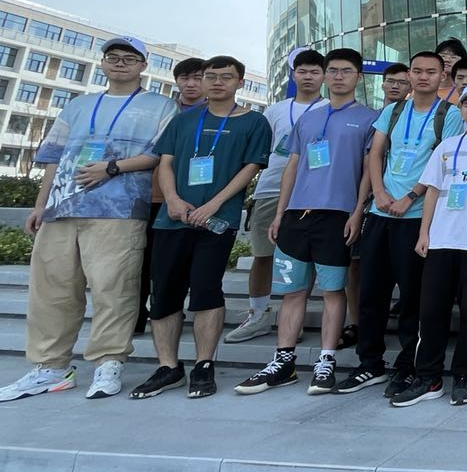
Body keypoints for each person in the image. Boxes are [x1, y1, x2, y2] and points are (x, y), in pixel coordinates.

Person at [0, 37, 174, 403]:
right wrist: (40, 205)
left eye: (130, 58)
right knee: (52, 290)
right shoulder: (78, 105)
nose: (120, 63)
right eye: (113, 57)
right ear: (103, 62)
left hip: (119, 210)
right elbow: (53, 157)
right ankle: (50, 367)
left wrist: (112, 168)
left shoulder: (161, 105)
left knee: (115, 288)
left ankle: (109, 362)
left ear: (143, 66)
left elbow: (160, 154)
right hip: (62, 208)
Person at [235, 49, 377, 395]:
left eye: (346, 71)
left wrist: (358, 211)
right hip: (297, 215)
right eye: (333, 70)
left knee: (332, 291)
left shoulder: (370, 119)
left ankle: (326, 360)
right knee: (293, 292)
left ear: (358, 77)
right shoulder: (308, 119)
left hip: (337, 216)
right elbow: (293, 165)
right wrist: (281, 212)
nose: (338, 76)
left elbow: (368, 171)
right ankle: (283, 361)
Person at [133, 56, 271, 400]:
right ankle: (168, 367)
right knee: (165, 292)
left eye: (226, 77)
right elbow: (166, 163)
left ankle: (203, 364)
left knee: (207, 289)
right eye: (211, 76)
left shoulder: (254, 122)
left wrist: (213, 204)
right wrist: (172, 200)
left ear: (240, 82)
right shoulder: (182, 120)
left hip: (217, 221)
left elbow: (250, 168)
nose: (217, 82)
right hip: (173, 218)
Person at [336, 51, 463, 397]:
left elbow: (443, 162)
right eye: (417, 71)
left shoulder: (450, 114)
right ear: (409, 74)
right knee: (371, 293)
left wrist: (410, 196)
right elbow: (376, 154)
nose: (423, 77)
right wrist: (378, 193)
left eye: (431, 72)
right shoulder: (393, 111)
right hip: (380, 213)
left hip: (416, 216)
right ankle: (370, 363)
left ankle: (408, 366)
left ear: (442, 76)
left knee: (412, 298)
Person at [390, 83, 467, 407]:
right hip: (442, 240)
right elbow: (432, 189)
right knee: (431, 312)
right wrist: (424, 233)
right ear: (460, 109)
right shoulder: (446, 145)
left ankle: (462, 375)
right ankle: (428, 377)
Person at [227, 50, 325, 345]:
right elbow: (260, 151)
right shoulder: (275, 110)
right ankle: (257, 314)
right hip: (270, 188)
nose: (308, 77)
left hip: (312, 193)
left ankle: (293, 318)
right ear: (293, 74)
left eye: (314, 72)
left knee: (304, 258)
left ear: (323, 76)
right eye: (302, 71)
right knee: (262, 255)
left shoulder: (329, 109)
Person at [134, 55, 207, 334]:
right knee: (142, 260)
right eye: (185, 78)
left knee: (178, 263)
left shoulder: (216, 113)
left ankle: (170, 311)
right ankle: (138, 315)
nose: (191, 84)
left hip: (192, 199)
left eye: (197, 78)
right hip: (152, 196)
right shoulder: (162, 110)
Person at [435, 38, 467, 103]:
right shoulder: (421, 89)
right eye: (443, 56)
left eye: (453, 57)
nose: (447, 60)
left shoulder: (466, 92)